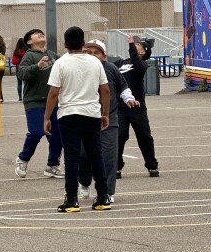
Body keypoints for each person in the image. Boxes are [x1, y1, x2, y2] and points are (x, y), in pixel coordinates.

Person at [43, 26, 111, 212]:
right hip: (91, 113)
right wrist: (105, 113)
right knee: (95, 155)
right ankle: (103, 196)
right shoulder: (94, 63)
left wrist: (47, 116)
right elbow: (104, 89)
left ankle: (72, 199)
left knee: (71, 157)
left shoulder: (61, 63)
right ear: (83, 43)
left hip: (69, 114)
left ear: (65, 44)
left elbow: (53, 93)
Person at [78, 39, 136, 203]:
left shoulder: (110, 69)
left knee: (109, 156)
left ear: (104, 56)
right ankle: (84, 181)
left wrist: (128, 98)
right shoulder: (78, 69)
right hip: (84, 118)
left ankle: (107, 192)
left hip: (109, 118)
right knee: (83, 155)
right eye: (88, 53)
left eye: (97, 52)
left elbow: (123, 86)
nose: (92, 55)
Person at [15, 28, 63, 179]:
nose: (41, 34)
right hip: (34, 101)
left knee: (57, 136)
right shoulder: (29, 56)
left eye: (42, 33)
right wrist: (37, 66)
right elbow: (21, 74)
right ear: (29, 41)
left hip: (53, 101)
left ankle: (52, 165)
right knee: (37, 132)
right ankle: (23, 158)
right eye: (37, 34)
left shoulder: (52, 55)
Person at [114, 35, 159, 178]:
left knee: (144, 137)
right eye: (135, 44)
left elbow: (138, 64)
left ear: (142, 52)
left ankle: (152, 165)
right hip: (120, 107)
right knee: (120, 136)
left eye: (138, 45)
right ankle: (117, 166)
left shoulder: (142, 64)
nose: (134, 46)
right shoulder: (120, 63)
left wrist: (131, 45)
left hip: (137, 108)